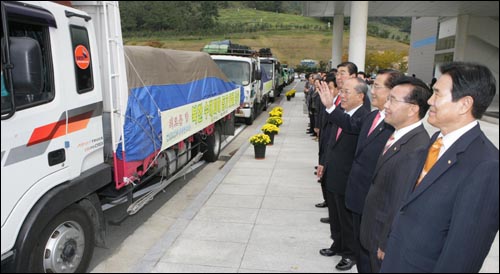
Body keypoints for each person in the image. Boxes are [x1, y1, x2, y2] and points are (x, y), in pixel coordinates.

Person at [380, 62, 499, 273]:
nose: (429, 101)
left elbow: (464, 253)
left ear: (464, 104)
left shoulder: (487, 165)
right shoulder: (436, 140)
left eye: (437, 94)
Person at [317, 69, 403, 272]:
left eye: (378, 87)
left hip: (368, 193)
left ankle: (350, 254)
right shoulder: (374, 115)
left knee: (364, 244)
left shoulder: (394, 125)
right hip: (354, 187)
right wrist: (330, 106)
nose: (373, 91)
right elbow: (349, 125)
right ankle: (343, 248)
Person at [360, 76, 432, 273]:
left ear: (413, 109)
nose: (386, 104)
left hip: (381, 240)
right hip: (372, 231)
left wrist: (386, 241)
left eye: (393, 100)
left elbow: (400, 202)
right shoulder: (399, 135)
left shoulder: (415, 148)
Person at [317, 77, 370, 271]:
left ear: (361, 96)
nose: (342, 95)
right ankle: (337, 244)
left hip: (348, 178)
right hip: (333, 173)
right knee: (335, 215)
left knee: (347, 219)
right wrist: (324, 163)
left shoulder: (363, 116)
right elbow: (331, 141)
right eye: (342, 91)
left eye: (347, 91)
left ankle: (349, 253)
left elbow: (350, 126)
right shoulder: (342, 113)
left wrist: (330, 107)